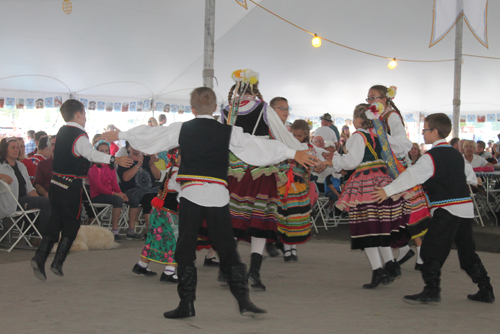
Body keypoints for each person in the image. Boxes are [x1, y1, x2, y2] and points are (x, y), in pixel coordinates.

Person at [102, 86, 315, 319]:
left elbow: (152, 136)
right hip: (218, 196)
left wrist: (121, 135)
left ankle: (187, 304)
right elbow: (257, 147)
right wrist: (293, 153)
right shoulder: (227, 131)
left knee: (184, 250)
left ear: (192, 109)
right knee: (227, 249)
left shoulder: (182, 129)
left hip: (192, 195)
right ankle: (243, 300)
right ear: (215, 108)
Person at [372, 113, 495, 305]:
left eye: (425, 129)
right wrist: (474, 180)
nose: (423, 133)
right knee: (467, 252)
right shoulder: (456, 154)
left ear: (435, 132)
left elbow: (411, 176)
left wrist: (388, 191)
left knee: (430, 249)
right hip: (465, 208)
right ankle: (486, 289)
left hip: (448, 209)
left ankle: (431, 290)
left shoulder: (431, 157)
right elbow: (469, 174)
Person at [220, 70, 308, 291]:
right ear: (255, 86)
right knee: (260, 220)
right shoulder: (264, 108)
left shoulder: (226, 110)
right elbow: (284, 136)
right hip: (261, 170)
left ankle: (227, 269)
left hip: (235, 171)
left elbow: (222, 142)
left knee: (234, 220)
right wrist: (303, 151)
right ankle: (254, 272)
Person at [30, 99, 132, 282]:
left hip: (56, 184)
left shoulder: (61, 132)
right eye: (84, 113)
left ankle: (40, 257)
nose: (85, 117)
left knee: (56, 221)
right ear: (78, 114)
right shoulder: (79, 135)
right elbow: (90, 154)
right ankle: (57, 261)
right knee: (72, 224)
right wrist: (113, 160)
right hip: (70, 186)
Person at [332, 104, 410, 289]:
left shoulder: (358, 136)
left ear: (358, 119)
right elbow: (398, 150)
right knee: (379, 227)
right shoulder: (378, 134)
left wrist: (335, 158)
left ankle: (378, 270)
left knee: (366, 228)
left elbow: (351, 162)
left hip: (364, 183)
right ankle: (389, 265)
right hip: (382, 180)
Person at [132, 148, 180, 283]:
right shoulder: (178, 174)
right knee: (175, 239)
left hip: (159, 211)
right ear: (175, 158)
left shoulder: (173, 171)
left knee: (154, 238)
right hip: (167, 213)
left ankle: (141, 265)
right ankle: (169, 272)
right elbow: (185, 191)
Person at [275, 119, 312, 261]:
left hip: (299, 187)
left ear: (306, 135)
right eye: (294, 135)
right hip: (284, 185)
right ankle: (287, 248)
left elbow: (313, 164)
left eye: (300, 136)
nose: (297, 139)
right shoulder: (285, 146)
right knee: (285, 216)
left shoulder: (308, 148)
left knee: (296, 217)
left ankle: (293, 248)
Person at [0, 138, 51, 236]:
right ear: (5, 150)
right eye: (13, 147)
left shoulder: (21, 166)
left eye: (18, 147)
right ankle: (41, 234)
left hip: (24, 200)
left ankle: (35, 233)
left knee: (47, 202)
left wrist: (39, 199)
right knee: (46, 203)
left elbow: (29, 188)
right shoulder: (1, 166)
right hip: (10, 202)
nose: (17, 150)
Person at [87, 140, 131, 242]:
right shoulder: (94, 168)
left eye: (106, 150)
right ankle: (115, 231)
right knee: (117, 200)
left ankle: (131, 230)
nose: (104, 153)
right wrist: (115, 194)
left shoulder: (110, 167)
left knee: (131, 199)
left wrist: (120, 193)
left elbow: (115, 184)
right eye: (101, 151)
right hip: (97, 195)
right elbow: (99, 188)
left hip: (110, 194)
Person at [117, 142, 161, 240]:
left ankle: (163, 228)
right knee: (148, 197)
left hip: (150, 188)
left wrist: (152, 164)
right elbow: (125, 178)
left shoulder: (147, 159)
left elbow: (158, 176)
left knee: (163, 195)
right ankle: (150, 231)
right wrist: (138, 165)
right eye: (134, 144)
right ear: (128, 148)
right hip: (132, 190)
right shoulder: (125, 160)